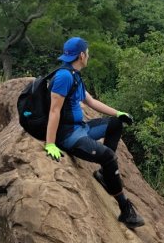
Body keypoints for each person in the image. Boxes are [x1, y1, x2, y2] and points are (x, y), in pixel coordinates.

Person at [44, 36, 145, 229]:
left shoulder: (74, 74)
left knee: (115, 124)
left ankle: (103, 174)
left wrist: (118, 113)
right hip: (69, 136)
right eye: (87, 52)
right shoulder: (64, 76)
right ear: (82, 55)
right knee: (108, 156)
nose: (88, 55)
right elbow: (54, 111)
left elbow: (90, 101)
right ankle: (125, 210)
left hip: (81, 128)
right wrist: (50, 143)